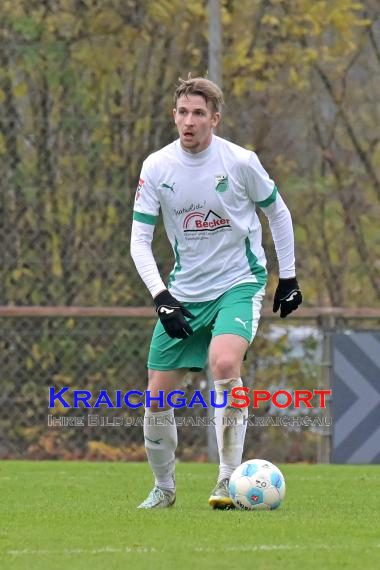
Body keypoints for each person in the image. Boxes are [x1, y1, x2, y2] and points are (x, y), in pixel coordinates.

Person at [130, 75, 302, 510]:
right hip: (184, 292)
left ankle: (227, 480)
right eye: (183, 113)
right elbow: (139, 241)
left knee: (224, 363)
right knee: (155, 399)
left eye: (199, 114)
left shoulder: (240, 161)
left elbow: (277, 213)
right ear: (174, 116)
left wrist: (290, 276)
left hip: (237, 283)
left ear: (215, 120)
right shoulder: (156, 167)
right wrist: (161, 295)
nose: (189, 121)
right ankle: (165, 489)